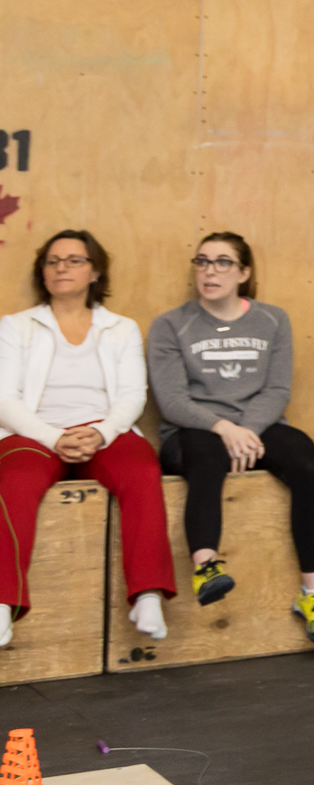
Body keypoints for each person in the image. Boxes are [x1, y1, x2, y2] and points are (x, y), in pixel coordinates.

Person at [149, 233, 314, 645]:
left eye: (222, 262)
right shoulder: (170, 325)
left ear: (244, 273)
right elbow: (172, 401)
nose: (209, 271)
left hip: (256, 427)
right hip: (194, 431)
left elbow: (277, 390)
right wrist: (224, 428)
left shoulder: (273, 320)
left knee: (305, 456)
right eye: (202, 261)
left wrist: (246, 430)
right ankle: (206, 567)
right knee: (206, 454)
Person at [0, 230, 174, 647]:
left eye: (74, 260)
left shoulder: (121, 328)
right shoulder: (15, 326)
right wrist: (53, 437)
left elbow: (133, 396)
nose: (61, 268)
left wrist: (100, 432)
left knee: (142, 470)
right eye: (52, 261)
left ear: (95, 272)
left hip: (102, 431)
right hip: (33, 431)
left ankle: (148, 594)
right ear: (43, 272)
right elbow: (3, 398)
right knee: (15, 480)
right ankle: (3, 602)